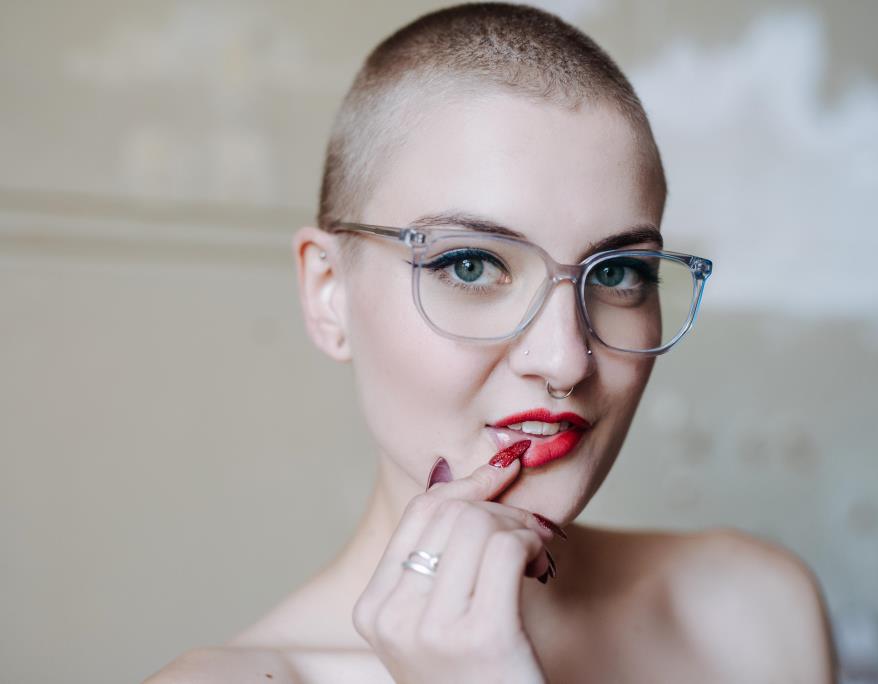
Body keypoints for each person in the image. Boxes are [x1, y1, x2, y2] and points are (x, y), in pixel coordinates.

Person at [147, 3, 836, 682]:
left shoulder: (755, 616)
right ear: (329, 293)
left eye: (618, 273)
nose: (564, 360)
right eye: (471, 265)